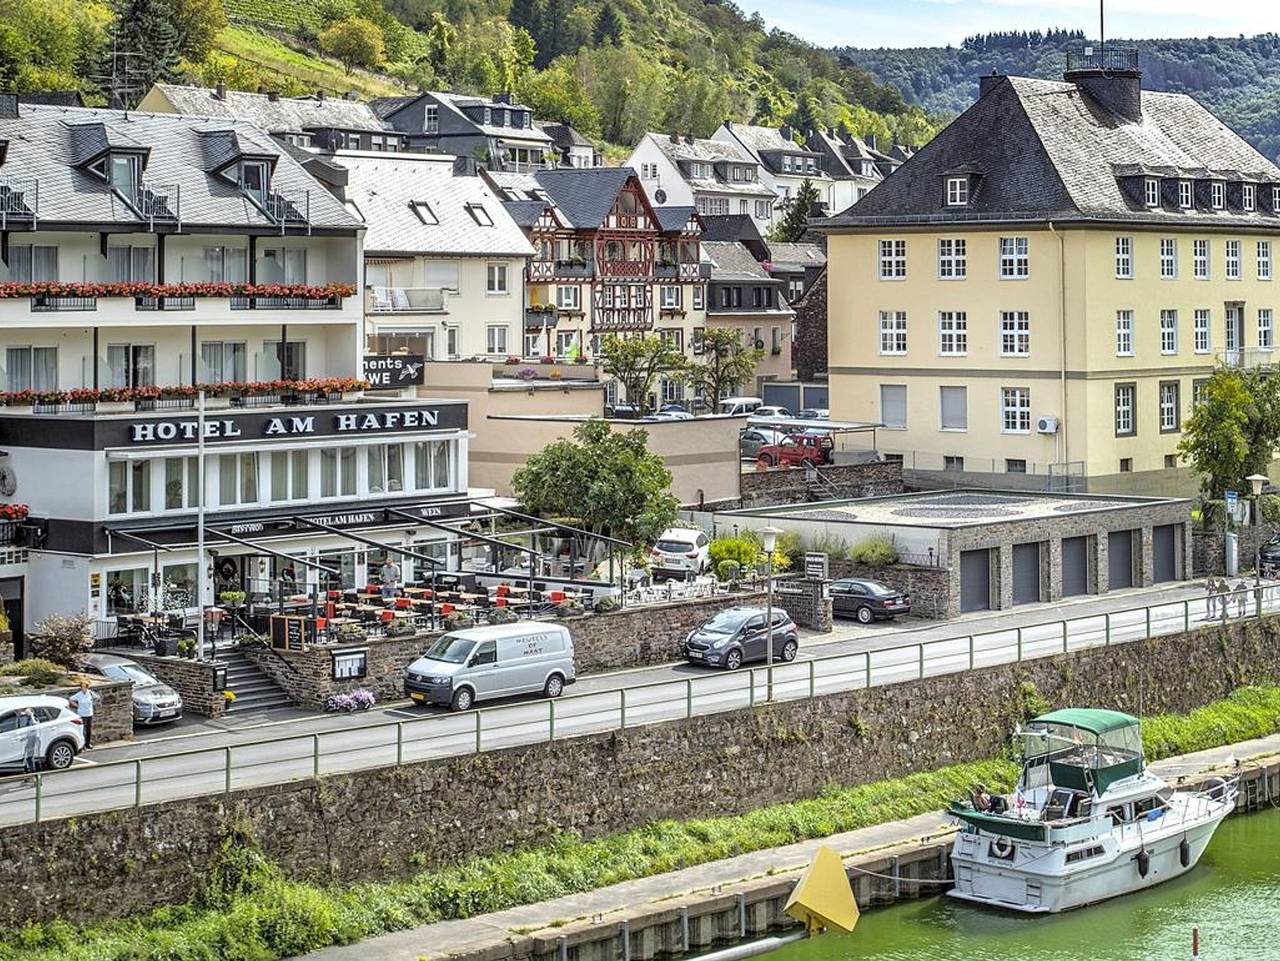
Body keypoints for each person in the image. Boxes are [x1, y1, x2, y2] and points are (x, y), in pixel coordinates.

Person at [69, 679, 98, 750]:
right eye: (82, 687)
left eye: (85, 687)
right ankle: (82, 745)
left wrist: (92, 703)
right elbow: (71, 699)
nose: (83, 689)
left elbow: (97, 697)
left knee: (89, 730)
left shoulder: (90, 693)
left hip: (89, 714)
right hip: (82, 714)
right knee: (82, 730)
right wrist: (76, 705)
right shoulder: (79, 694)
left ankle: (88, 744)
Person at [17, 708, 39, 780]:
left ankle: (34, 776)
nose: (26, 714)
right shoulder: (28, 719)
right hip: (29, 741)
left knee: (30, 759)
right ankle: (28, 776)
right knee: (26, 759)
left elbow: (35, 724)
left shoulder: (34, 718)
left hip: (34, 741)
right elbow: (28, 731)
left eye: (28, 712)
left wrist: (31, 715)